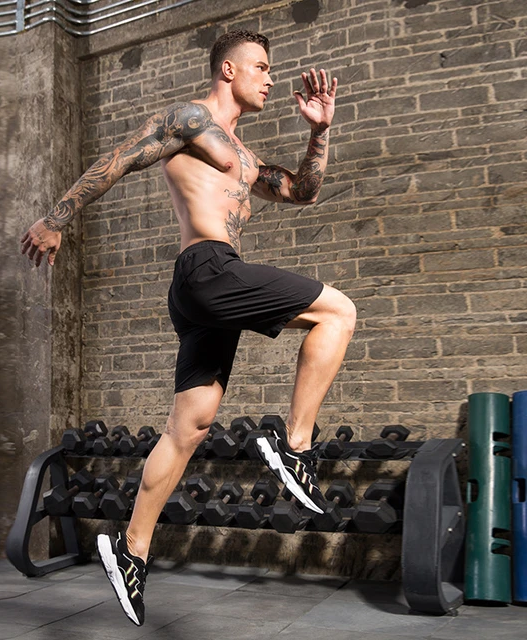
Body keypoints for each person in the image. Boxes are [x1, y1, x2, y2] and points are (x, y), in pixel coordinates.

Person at [20, 29, 356, 626]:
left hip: (202, 293)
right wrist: (56, 218)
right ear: (228, 69)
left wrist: (319, 130)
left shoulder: (245, 157)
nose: (271, 78)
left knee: (190, 426)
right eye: (261, 67)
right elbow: (119, 158)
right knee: (339, 310)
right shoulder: (190, 119)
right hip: (207, 268)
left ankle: (131, 548)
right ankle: (295, 445)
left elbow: (301, 191)